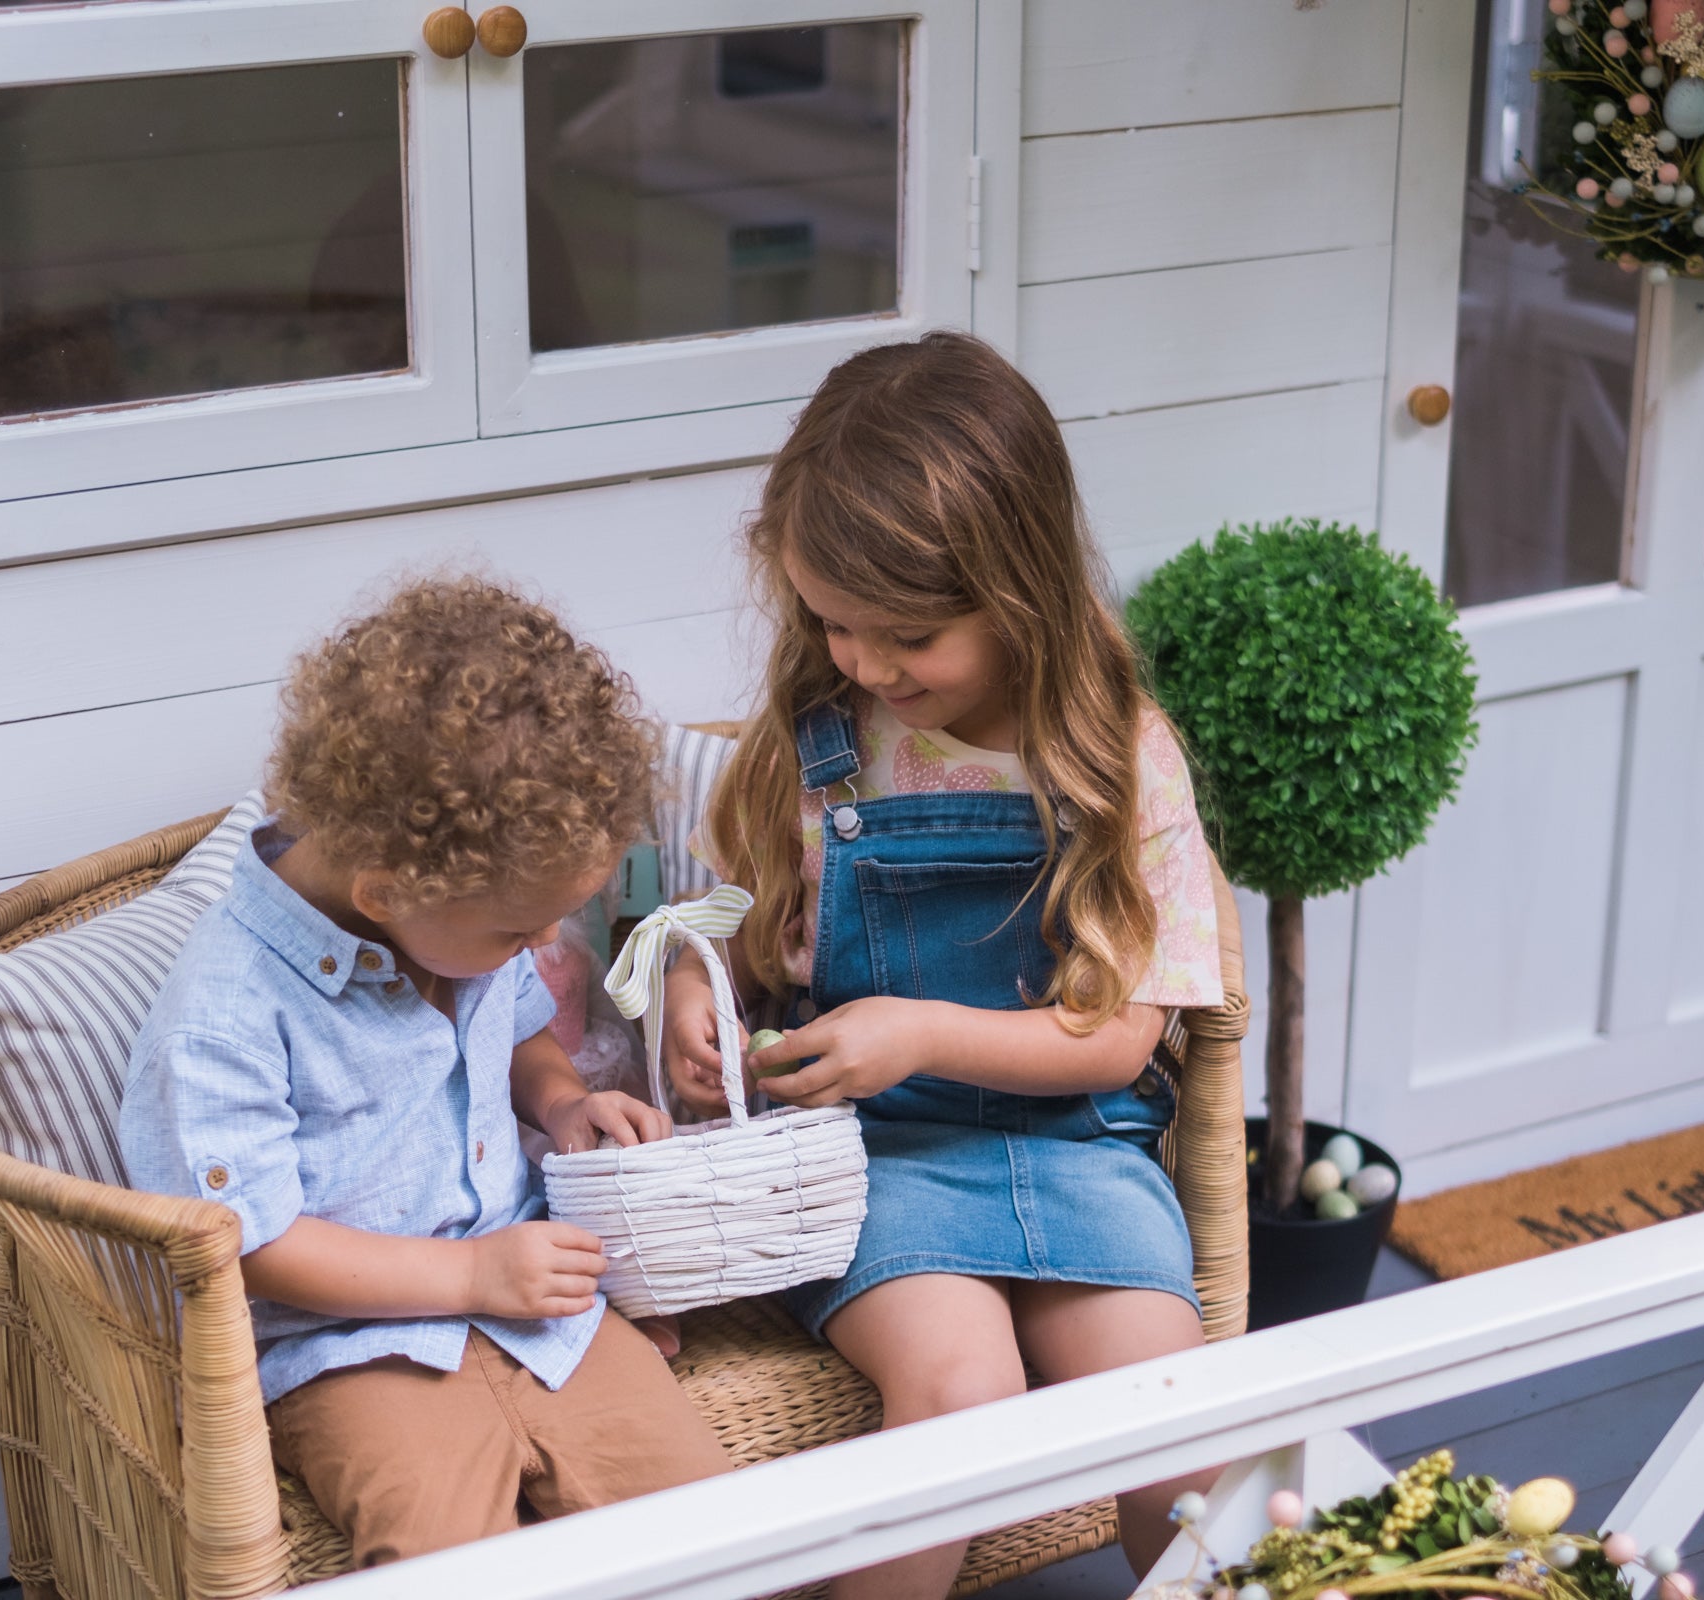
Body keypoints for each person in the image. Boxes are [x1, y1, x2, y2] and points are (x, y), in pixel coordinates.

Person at [668, 331, 1228, 1597]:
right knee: (961, 1389)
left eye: (902, 634)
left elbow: (1124, 1036)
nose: (863, 662)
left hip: (1083, 1143)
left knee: (1179, 1417)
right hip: (879, 1156)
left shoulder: (1117, 758)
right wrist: (703, 1003)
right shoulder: (826, 744)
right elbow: (738, 932)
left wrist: (916, 1029)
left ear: (1014, 587)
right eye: (833, 624)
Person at [121, 575, 731, 1568]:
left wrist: (563, 1098)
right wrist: (471, 1274)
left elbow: (522, 1029)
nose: (540, 942)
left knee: (716, 1537)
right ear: (385, 887)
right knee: (445, 1560)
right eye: (517, 928)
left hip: (542, 1314)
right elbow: (253, 1244)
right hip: (351, 1349)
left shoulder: (459, 926)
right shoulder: (223, 1018)